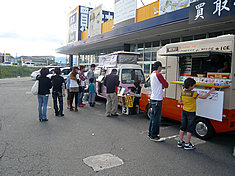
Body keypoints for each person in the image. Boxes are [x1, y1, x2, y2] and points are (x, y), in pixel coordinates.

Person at [178, 78, 215, 149]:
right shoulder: (193, 94)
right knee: (190, 128)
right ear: (190, 86)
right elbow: (204, 97)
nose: (194, 86)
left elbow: (179, 102)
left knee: (182, 127)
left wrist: (186, 103)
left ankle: (180, 142)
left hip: (184, 111)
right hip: (191, 112)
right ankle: (187, 144)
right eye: (193, 85)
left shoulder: (183, 92)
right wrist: (211, 91)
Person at [148, 61, 169, 142]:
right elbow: (166, 85)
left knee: (153, 117)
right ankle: (154, 135)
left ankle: (151, 133)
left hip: (153, 97)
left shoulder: (152, 75)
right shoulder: (159, 75)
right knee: (157, 118)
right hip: (157, 99)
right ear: (159, 67)